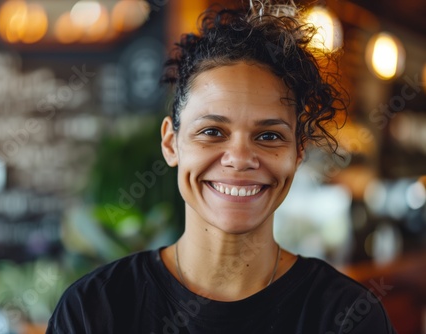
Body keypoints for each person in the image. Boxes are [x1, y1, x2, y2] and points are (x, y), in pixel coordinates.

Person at [46, 2, 396, 333]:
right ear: (171, 143)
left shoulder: (346, 316)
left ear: (298, 151)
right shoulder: (94, 309)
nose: (240, 157)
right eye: (212, 132)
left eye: (270, 136)